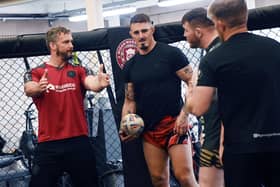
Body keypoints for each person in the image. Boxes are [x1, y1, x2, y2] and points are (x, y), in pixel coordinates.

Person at [184, 0, 280, 187]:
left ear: (219, 24)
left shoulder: (214, 58)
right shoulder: (275, 47)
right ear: (244, 16)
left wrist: (189, 98)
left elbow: (199, 107)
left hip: (240, 146)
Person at [23, 26, 110, 187]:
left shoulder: (79, 70)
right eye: (66, 42)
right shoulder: (37, 72)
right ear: (53, 45)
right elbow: (29, 88)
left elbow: (92, 83)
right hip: (49, 144)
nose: (71, 45)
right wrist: (39, 87)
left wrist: (100, 82)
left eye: (71, 41)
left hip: (78, 142)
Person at [119, 13, 198, 187]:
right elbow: (129, 100)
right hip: (148, 129)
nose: (141, 36)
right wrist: (125, 124)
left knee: (184, 176)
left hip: (174, 124)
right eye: (137, 32)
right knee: (159, 180)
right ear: (131, 34)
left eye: (145, 30)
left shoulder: (171, 54)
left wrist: (185, 115)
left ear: (152, 29)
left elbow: (192, 82)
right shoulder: (130, 66)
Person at [181, 7, 224, 187]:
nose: (184, 35)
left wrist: (221, 140)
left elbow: (198, 106)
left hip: (220, 139)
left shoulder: (215, 56)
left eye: (186, 30)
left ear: (198, 32)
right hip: (216, 134)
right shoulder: (216, 53)